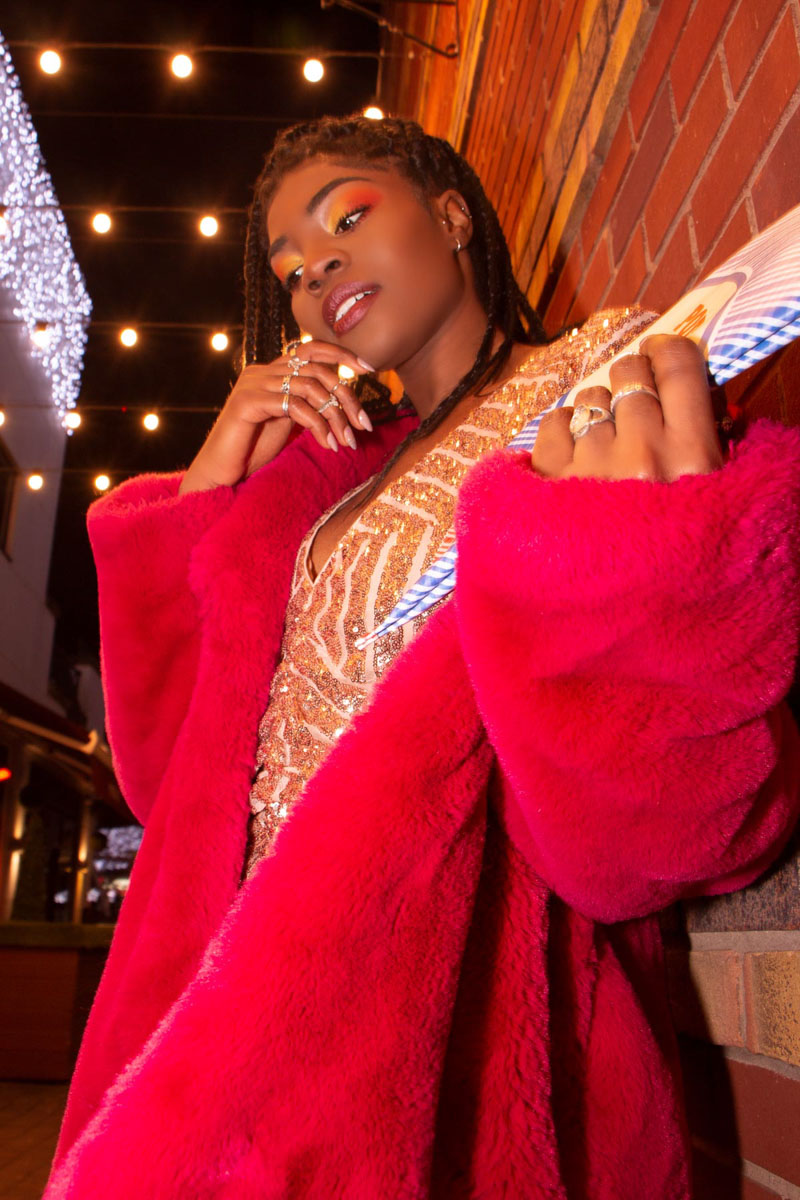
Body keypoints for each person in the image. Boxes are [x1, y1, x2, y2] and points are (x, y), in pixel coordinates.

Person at [46, 116, 800, 1198]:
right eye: (292, 271)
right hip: (215, 1011)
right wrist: (215, 480)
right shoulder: (325, 486)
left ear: (449, 215)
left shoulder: (601, 376)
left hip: (443, 1036)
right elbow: (173, 780)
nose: (317, 272)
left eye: (347, 217)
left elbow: (668, 817)